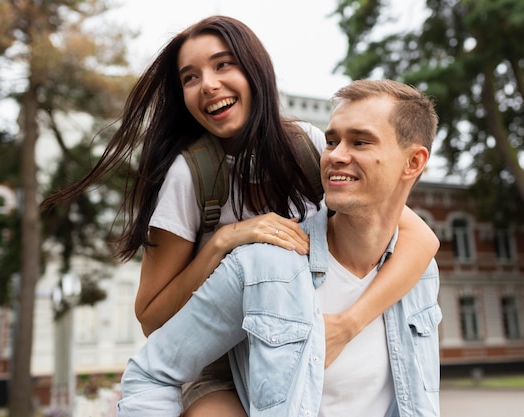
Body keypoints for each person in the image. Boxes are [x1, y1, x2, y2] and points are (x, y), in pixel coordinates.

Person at [42, 15, 439, 417]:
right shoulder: (190, 175)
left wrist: (346, 327)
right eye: (190, 78)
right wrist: (224, 241)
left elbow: (420, 240)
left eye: (222, 64)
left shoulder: (307, 146)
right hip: (214, 362)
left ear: (255, 70)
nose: (208, 84)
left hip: (293, 341)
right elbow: (150, 319)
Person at [116, 79, 442, 417]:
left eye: (360, 142)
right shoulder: (261, 266)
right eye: (331, 141)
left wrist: (347, 326)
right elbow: (152, 370)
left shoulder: (420, 273)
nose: (337, 155)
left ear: (414, 162)